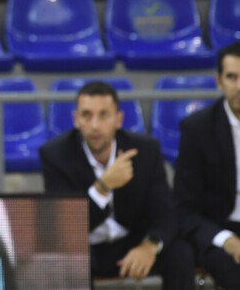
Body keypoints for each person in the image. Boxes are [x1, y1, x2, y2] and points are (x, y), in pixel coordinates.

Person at [40, 81, 194, 289]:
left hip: (133, 240)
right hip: (87, 245)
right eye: (87, 115)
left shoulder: (144, 150)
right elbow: (66, 228)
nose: (95, 125)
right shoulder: (55, 155)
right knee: (69, 260)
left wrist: (149, 246)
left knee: (180, 252)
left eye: (104, 115)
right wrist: (103, 187)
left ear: (118, 120)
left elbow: (166, 213)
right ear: (76, 120)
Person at [174, 40, 240, 290]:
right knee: (238, 273)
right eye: (232, 77)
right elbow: (184, 208)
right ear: (219, 81)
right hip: (222, 230)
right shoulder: (197, 129)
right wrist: (226, 239)